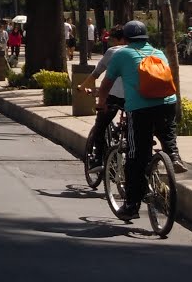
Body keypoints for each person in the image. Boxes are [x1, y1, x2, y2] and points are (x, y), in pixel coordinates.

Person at [96, 20, 186, 221]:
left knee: (136, 156)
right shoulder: (158, 53)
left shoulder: (122, 54)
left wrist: (101, 104)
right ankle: (173, 155)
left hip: (140, 109)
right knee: (166, 131)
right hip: (167, 103)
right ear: (146, 38)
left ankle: (131, 206)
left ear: (125, 39)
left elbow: (106, 84)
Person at [78, 25, 127, 169]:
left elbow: (96, 74)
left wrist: (81, 86)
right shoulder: (138, 51)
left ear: (120, 39)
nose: (110, 42)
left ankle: (99, 158)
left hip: (113, 97)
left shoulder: (113, 52)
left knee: (100, 126)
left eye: (112, 39)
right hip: (134, 97)